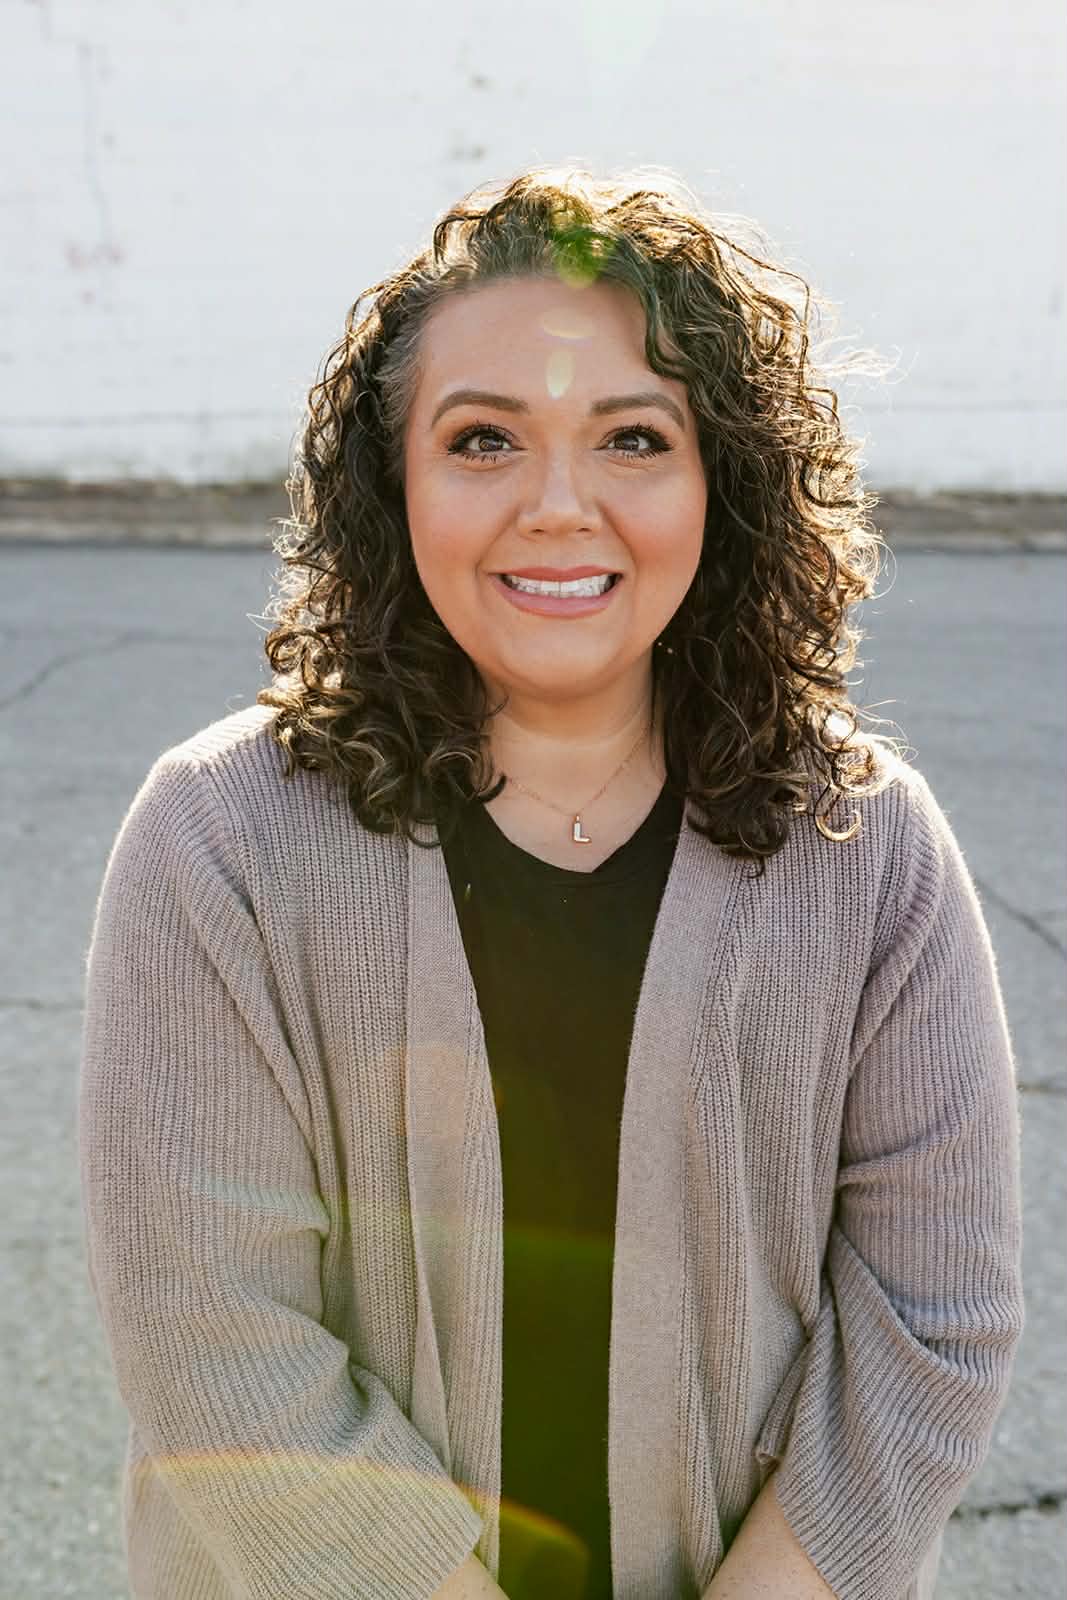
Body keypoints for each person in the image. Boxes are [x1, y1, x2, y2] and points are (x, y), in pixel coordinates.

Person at [78, 166, 1024, 1600]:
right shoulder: (220, 841)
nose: (559, 507)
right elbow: (206, 1328)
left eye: (634, 437)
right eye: (484, 440)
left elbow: (930, 1320)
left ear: (724, 482)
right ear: (393, 485)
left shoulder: (867, 848)